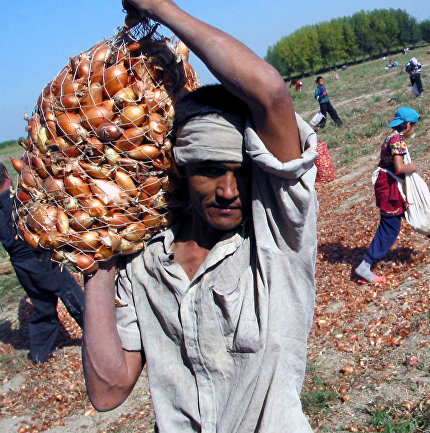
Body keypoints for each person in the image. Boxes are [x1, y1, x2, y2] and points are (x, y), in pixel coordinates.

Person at [83, 1, 319, 432]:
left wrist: (157, 7)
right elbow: (107, 391)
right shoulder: (145, 264)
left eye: (240, 173)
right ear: (180, 169)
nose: (229, 192)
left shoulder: (275, 238)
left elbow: (270, 92)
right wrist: (95, 259)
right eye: (209, 170)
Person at [354, 107, 430, 284]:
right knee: (390, 228)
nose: (412, 129)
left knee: (415, 211)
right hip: (389, 187)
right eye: (413, 126)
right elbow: (399, 167)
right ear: (407, 125)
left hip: (390, 184)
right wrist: (413, 167)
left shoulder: (391, 137)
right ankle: (365, 265)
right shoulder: (397, 141)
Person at [0, 163, 84, 364]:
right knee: (73, 297)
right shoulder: (19, 198)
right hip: (39, 258)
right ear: (6, 176)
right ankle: (99, 337)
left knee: (43, 306)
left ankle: (38, 354)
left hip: (21, 266)